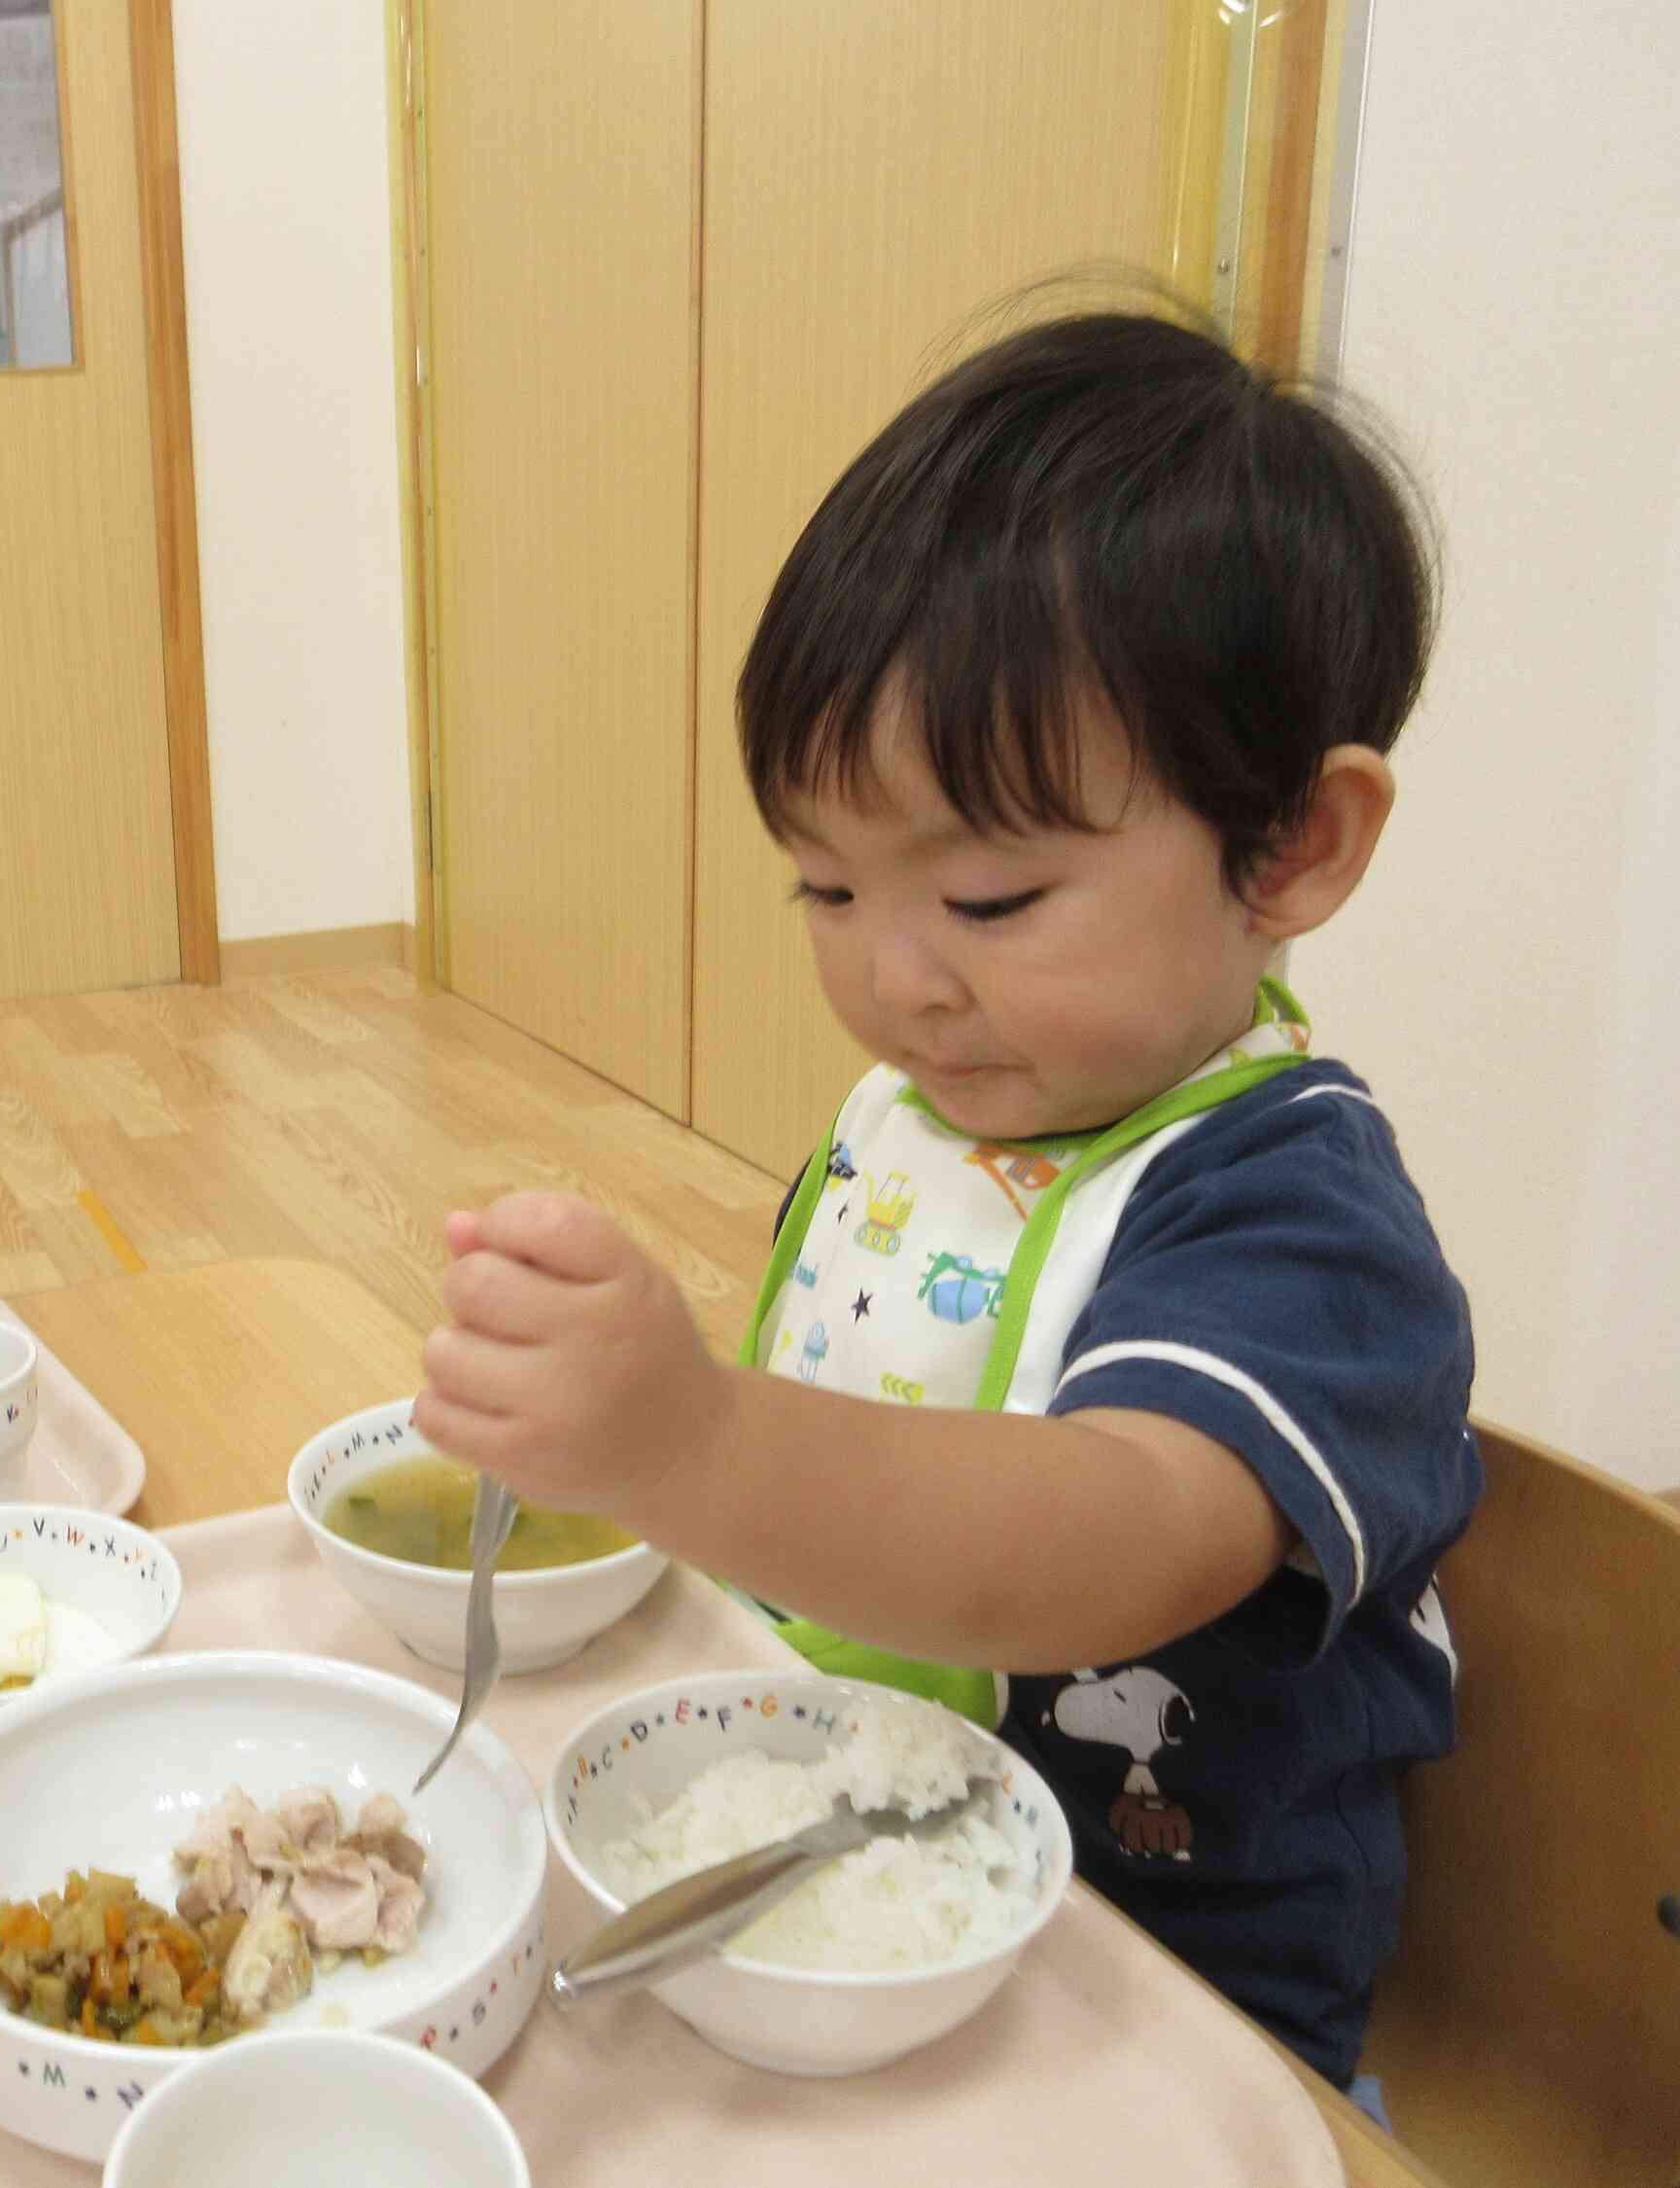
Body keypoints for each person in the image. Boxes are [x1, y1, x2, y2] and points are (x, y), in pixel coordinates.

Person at [417, 311, 1481, 2094]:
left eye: (987, 899)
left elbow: (1114, 1530)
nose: (896, 980)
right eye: (826, 888)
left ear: (1293, 846)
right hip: (847, 1880)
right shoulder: (939, 1112)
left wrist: (692, 1441)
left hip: (1161, 2018)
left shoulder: (1306, 1225)